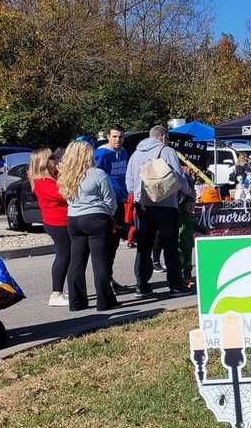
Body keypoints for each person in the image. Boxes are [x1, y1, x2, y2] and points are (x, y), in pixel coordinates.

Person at [125, 125, 194, 296]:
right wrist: (189, 192)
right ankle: (175, 285)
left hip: (143, 206)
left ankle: (141, 285)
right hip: (165, 204)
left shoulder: (135, 154)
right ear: (163, 138)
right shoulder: (167, 151)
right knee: (170, 245)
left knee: (144, 246)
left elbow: (129, 184)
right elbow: (178, 177)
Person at [56, 140, 118, 312]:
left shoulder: (66, 176)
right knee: (100, 260)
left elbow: (66, 198)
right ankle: (104, 301)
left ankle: (76, 302)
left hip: (74, 219)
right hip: (96, 217)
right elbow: (110, 200)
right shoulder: (98, 174)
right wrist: (109, 215)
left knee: (76, 261)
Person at [29, 148, 70, 307]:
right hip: (57, 222)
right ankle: (56, 293)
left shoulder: (52, 178)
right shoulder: (42, 182)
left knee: (67, 256)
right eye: (52, 157)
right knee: (63, 256)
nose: (55, 159)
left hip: (62, 220)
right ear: (43, 163)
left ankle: (60, 291)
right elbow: (64, 194)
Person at [94, 125, 131, 294]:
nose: (118, 139)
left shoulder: (123, 152)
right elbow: (96, 176)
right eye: (115, 136)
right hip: (108, 203)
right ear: (108, 137)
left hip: (122, 201)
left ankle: (110, 278)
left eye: (120, 136)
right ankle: (105, 282)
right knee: (107, 244)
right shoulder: (101, 154)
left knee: (115, 243)